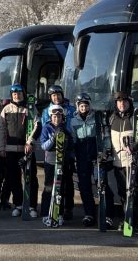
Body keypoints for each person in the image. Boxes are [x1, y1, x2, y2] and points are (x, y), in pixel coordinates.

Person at [107, 91, 138, 233]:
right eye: (119, 102)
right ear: (116, 104)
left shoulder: (135, 118)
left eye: (125, 102)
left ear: (129, 103)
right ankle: (128, 218)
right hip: (118, 162)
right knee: (122, 192)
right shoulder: (112, 118)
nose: (122, 104)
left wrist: (134, 147)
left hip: (133, 162)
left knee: (135, 191)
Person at [0, 84, 39, 217]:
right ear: (11, 95)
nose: (17, 95)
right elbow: (2, 130)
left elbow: (37, 125)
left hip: (26, 149)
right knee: (14, 179)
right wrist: (1, 147)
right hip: (10, 150)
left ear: (23, 93)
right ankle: (19, 205)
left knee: (31, 179)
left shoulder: (30, 108)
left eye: (19, 93)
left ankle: (32, 206)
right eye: (14, 93)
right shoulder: (6, 109)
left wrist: (30, 142)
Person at [40, 104, 73, 226]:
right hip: (50, 162)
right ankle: (45, 213)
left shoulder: (65, 130)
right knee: (49, 188)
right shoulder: (46, 128)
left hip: (62, 162)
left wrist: (66, 141)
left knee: (60, 189)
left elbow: (70, 146)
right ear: (50, 116)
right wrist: (54, 138)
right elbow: (44, 146)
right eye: (54, 116)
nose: (56, 119)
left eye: (59, 116)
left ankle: (58, 213)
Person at [69, 93, 98, 226]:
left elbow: (100, 136)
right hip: (81, 157)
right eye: (81, 106)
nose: (83, 108)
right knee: (85, 186)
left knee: (102, 186)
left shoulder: (96, 118)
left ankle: (105, 213)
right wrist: (73, 155)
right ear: (77, 107)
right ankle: (89, 214)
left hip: (95, 156)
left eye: (86, 105)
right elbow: (73, 139)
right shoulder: (74, 121)